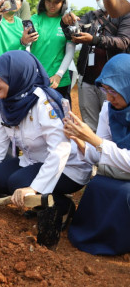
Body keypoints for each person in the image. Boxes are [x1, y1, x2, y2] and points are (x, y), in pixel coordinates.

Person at [0, 51, 91, 248]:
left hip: (68, 167)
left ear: (17, 77)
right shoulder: (5, 102)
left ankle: (63, 206)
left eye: (0, 79)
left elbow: (60, 152)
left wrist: (33, 188)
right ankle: (36, 199)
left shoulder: (45, 104)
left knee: (18, 182)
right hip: (34, 160)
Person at [64, 53, 130, 255]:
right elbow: (98, 154)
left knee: (124, 193)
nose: (109, 97)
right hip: (119, 169)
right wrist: (82, 143)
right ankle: (93, 237)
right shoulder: (108, 108)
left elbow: (102, 145)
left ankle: (119, 244)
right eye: (105, 89)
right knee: (96, 185)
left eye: (114, 91)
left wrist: (94, 141)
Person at [61, 0, 130, 132]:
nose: (100, 0)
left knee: (113, 125)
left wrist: (94, 39)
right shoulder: (92, 15)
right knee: (90, 126)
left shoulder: (126, 15)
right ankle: (92, 154)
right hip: (87, 80)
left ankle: (112, 155)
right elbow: (72, 33)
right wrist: (66, 23)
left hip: (113, 83)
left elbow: (123, 42)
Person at [22, 0, 75, 101]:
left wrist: (59, 75)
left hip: (59, 81)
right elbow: (28, 46)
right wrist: (24, 41)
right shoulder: (36, 19)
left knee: (61, 117)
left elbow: (70, 52)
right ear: (43, 1)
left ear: (63, 3)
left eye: (56, 2)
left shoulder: (67, 21)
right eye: (48, 1)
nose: (52, 5)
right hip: (36, 79)